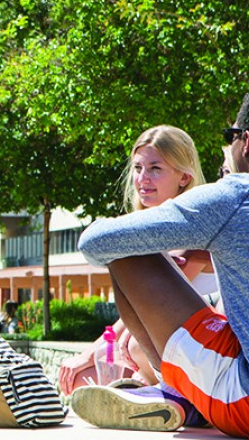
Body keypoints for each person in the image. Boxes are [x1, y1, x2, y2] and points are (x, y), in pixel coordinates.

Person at [71, 85, 249, 440]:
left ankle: (177, 392)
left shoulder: (234, 195)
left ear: (245, 142)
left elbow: (96, 243)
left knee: (127, 253)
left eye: (230, 136)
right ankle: (184, 394)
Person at [58, 126, 213, 395]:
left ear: (184, 177)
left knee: (120, 353)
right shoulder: (140, 230)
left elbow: (151, 304)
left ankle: (152, 386)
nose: (142, 178)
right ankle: (143, 384)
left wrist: (91, 352)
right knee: (77, 382)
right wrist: (94, 352)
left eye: (155, 169)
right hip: (146, 344)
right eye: (138, 168)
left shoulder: (194, 228)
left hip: (189, 349)